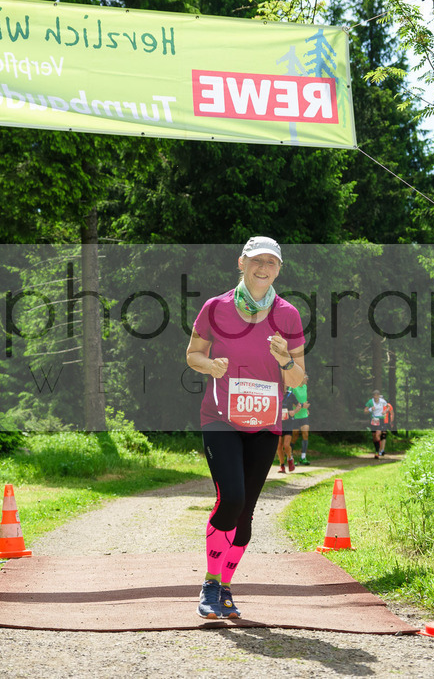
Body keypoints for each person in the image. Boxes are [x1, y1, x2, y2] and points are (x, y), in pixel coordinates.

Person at [185, 236, 306, 620]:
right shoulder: (215, 307)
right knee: (231, 498)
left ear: (279, 268)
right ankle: (208, 583)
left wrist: (286, 360)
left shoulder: (288, 315)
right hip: (221, 418)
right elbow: (193, 355)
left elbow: (300, 379)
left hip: (265, 423)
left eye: (271, 262)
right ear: (242, 262)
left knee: (247, 512)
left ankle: (225, 588)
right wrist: (211, 365)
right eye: (257, 260)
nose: (263, 268)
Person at [276, 388, 297, 473]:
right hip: (279, 423)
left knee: (286, 445)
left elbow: (298, 405)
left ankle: (290, 458)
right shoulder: (276, 393)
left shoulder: (290, 394)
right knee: (279, 446)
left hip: (288, 422)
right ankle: (282, 466)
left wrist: (294, 411)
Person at [290, 379, 310, 465]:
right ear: (301, 377)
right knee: (295, 436)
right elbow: (290, 402)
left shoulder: (305, 386)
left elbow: (304, 399)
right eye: (306, 377)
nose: (308, 379)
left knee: (305, 434)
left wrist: (307, 409)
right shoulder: (293, 387)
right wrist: (302, 405)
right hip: (295, 415)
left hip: (304, 415)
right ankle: (290, 457)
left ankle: (303, 457)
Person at [364, 390, 388, 458]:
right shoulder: (370, 402)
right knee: (374, 437)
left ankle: (377, 452)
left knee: (377, 435)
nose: (376, 397)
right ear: (373, 396)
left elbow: (388, 407)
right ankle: (377, 449)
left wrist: (385, 411)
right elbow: (365, 411)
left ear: (379, 396)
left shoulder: (382, 401)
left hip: (380, 419)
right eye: (374, 395)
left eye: (377, 395)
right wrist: (370, 409)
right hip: (373, 420)